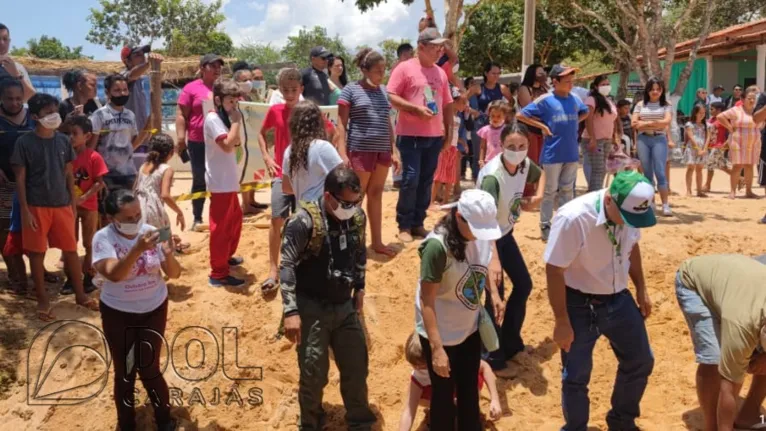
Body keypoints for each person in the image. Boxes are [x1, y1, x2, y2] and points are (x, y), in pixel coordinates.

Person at [544, 170, 656, 431]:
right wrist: (561, 320)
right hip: (578, 304)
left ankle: (621, 421)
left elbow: (632, 246)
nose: (629, 223)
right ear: (608, 200)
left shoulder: (631, 211)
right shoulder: (573, 218)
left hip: (619, 298)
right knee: (576, 376)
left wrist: (641, 288)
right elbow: (554, 269)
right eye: (625, 217)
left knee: (641, 360)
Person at [280, 166, 376, 431]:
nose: (352, 208)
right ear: (328, 196)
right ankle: (310, 423)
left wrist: (360, 288)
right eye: (346, 203)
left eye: (356, 202)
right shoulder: (303, 221)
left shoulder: (357, 217)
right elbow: (286, 264)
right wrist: (291, 311)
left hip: (345, 305)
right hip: (312, 307)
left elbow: (359, 253)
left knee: (357, 367)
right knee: (313, 373)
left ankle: (360, 422)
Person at [415, 188, 503, 430]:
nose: (479, 235)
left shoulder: (480, 235)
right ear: (458, 217)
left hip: (469, 328)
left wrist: (493, 294)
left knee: (469, 393)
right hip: (441, 333)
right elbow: (427, 302)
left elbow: (482, 265)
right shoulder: (436, 248)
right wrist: (437, 349)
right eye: (476, 228)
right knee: (442, 399)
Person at [93, 189, 181, 431]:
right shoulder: (103, 239)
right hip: (118, 311)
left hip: (153, 307)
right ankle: (126, 424)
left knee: (149, 366)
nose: (136, 221)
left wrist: (169, 256)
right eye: (129, 218)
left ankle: (164, 421)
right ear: (112, 219)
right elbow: (114, 274)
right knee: (125, 370)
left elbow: (173, 273)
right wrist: (136, 250)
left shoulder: (151, 233)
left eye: (138, 215)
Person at [11, 93, 99, 320]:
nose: (53, 117)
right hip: (36, 206)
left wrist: (72, 202)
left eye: (55, 112)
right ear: (34, 117)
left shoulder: (63, 141)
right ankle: (42, 298)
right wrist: (25, 210)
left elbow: (69, 173)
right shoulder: (24, 143)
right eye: (47, 113)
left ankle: (80, 295)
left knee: (71, 250)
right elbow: (20, 179)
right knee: (37, 254)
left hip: (62, 205)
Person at [258, 68, 334, 294]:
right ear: (280, 91)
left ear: (301, 89)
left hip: (306, 178)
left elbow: (332, 130)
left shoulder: (309, 111)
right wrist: (267, 157)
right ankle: (273, 268)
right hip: (282, 175)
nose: (290, 93)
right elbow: (261, 134)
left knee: (307, 220)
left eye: (294, 89)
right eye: (286, 90)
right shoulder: (275, 110)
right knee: (276, 219)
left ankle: (302, 264)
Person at [477, 123, 544, 373]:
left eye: (522, 146)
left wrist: (537, 196)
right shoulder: (493, 178)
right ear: (501, 146)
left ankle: (511, 343)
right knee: (495, 298)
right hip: (484, 239)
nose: (517, 151)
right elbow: (486, 223)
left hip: (505, 234)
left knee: (524, 284)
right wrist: (493, 261)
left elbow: (541, 173)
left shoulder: (525, 164)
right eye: (511, 147)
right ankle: (492, 358)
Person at [674, 254, 766, 431]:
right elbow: (728, 388)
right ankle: (713, 426)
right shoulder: (742, 325)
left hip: (742, 282)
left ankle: (749, 414)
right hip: (695, 281)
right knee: (714, 358)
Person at [387, 28, 454, 243]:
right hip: (410, 136)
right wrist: (415, 109)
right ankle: (404, 224)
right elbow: (391, 96)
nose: (439, 50)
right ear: (421, 47)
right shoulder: (404, 69)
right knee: (411, 179)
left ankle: (418, 222)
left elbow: (448, 104)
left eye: (441, 47)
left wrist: (448, 132)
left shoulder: (441, 73)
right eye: (435, 47)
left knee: (426, 180)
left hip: (434, 137)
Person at [337, 48, 400, 256]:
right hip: (360, 150)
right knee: (356, 197)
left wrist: (393, 150)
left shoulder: (383, 91)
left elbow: (387, 122)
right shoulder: (350, 90)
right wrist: (342, 152)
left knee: (376, 194)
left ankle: (377, 242)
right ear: (365, 70)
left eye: (384, 69)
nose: (382, 74)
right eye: (378, 70)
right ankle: (351, 242)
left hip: (382, 151)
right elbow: (341, 124)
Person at [517, 64, 589, 242]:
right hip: (552, 153)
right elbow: (521, 115)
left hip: (571, 152)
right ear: (555, 81)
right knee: (549, 191)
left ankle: (564, 224)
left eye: (572, 80)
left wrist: (573, 124)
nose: (570, 83)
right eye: (567, 80)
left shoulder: (574, 99)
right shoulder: (545, 100)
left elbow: (585, 112)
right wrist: (543, 126)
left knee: (567, 190)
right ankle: (545, 225)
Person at [398, 332, 502, 430]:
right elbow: (409, 410)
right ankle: (444, 410)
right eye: (413, 365)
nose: (417, 369)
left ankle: (464, 408)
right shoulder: (418, 376)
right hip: (441, 397)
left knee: (470, 377)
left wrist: (495, 399)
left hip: (460, 390)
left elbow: (484, 367)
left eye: (422, 366)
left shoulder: (450, 362)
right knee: (416, 393)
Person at [203, 80, 247, 287]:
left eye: (236, 102)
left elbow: (235, 142)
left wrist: (233, 124)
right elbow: (230, 145)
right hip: (220, 182)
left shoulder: (222, 118)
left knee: (234, 222)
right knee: (220, 228)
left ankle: (225, 258)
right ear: (219, 100)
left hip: (228, 181)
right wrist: (236, 121)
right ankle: (218, 273)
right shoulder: (213, 119)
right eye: (231, 101)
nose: (234, 107)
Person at [176, 54, 223, 231]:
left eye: (219, 66)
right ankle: (197, 217)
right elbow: (181, 114)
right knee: (199, 178)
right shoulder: (191, 88)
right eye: (213, 66)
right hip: (198, 142)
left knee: (218, 179)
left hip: (220, 141)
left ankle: (217, 217)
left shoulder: (224, 88)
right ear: (202, 68)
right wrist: (181, 138)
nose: (217, 69)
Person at [64, 114, 107, 293]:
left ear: (87, 136)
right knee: (69, 242)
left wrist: (84, 197)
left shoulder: (94, 157)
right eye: (68, 133)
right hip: (68, 207)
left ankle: (89, 275)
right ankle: (71, 278)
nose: (71, 137)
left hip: (89, 207)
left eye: (75, 133)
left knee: (90, 243)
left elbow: (99, 182)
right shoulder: (64, 156)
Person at [90, 74, 150, 199]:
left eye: (125, 90)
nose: (122, 93)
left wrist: (147, 128)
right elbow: (91, 147)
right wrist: (97, 176)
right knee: (107, 213)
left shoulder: (130, 115)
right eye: (117, 90)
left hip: (128, 173)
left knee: (128, 212)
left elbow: (132, 143)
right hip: (106, 174)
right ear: (108, 93)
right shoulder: (99, 115)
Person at [0, 78, 32, 292]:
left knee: (32, 228)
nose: (14, 103)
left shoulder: (33, 117)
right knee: (5, 229)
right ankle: (15, 275)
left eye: (18, 99)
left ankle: (36, 270)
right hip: (4, 184)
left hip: (31, 184)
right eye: (9, 99)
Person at [282, 101, 343, 202]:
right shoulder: (323, 147)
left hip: (302, 211)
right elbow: (343, 180)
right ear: (318, 122)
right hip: (322, 211)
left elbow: (286, 187)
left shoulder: (289, 150)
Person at [135, 133, 186, 251]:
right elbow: (165, 195)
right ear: (170, 153)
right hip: (154, 209)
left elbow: (136, 186)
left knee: (144, 241)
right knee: (163, 242)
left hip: (138, 207)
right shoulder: (166, 169)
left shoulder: (143, 166)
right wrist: (179, 212)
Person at [631, 77, 673, 216]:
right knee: (647, 173)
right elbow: (634, 123)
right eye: (652, 89)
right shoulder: (640, 104)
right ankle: (651, 203)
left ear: (662, 91)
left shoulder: (666, 104)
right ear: (648, 90)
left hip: (659, 139)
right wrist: (655, 123)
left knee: (660, 171)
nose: (655, 92)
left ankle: (665, 204)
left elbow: (666, 122)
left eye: (658, 89)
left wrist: (645, 123)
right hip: (643, 139)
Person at [716, 87, 766, 199]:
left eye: (754, 99)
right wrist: (729, 127)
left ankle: (748, 191)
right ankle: (732, 191)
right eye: (749, 98)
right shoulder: (736, 110)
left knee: (750, 165)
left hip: (754, 140)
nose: (752, 101)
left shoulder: (756, 110)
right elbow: (720, 117)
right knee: (737, 165)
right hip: (738, 140)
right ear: (742, 99)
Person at [231, 65, 268, 214]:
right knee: (244, 171)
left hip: (252, 137)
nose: (249, 82)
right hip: (241, 139)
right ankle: (245, 204)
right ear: (237, 81)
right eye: (245, 80)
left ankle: (251, 200)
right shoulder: (235, 97)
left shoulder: (250, 96)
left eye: (250, 79)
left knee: (253, 170)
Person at [581, 75, 621, 192]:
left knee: (602, 169)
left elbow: (612, 120)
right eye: (603, 84)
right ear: (595, 86)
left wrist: (615, 137)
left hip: (607, 140)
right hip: (594, 140)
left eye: (607, 84)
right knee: (597, 169)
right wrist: (592, 138)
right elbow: (588, 119)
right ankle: (595, 194)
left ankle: (595, 192)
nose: (606, 87)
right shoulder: (591, 99)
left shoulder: (609, 101)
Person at [431, 91, 467, 207]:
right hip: (444, 148)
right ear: (455, 102)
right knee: (438, 176)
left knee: (450, 176)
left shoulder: (458, 118)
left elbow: (455, 134)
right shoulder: (446, 116)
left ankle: (446, 201)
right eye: (463, 102)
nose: (465, 105)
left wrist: (462, 144)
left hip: (453, 148)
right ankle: (431, 202)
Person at [120, 44, 164, 136]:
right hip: (129, 135)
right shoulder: (121, 78)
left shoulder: (141, 80)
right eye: (137, 55)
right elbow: (132, 75)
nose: (143, 57)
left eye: (143, 54)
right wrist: (148, 63)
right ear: (127, 61)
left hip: (142, 134)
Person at [517, 64, 549, 178]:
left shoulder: (544, 89)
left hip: (543, 129)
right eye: (540, 73)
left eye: (543, 73)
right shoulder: (524, 88)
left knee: (541, 162)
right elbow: (528, 111)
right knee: (531, 160)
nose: (543, 75)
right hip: (529, 129)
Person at [0, 23, 35, 102]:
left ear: (9, 41)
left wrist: (16, 75)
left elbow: (30, 97)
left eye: (5, 39)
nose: (2, 43)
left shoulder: (17, 67)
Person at [704, 101, 732, 193]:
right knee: (722, 166)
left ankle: (707, 185)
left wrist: (727, 143)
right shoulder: (711, 119)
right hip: (711, 145)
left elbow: (732, 131)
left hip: (719, 145)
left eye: (712, 109)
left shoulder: (724, 119)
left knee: (710, 164)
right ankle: (740, 178)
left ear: (719, 110)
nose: (710, 111)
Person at [683, 104, 709, 197]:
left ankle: (699, 190)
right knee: (690, 168)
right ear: (695, 113)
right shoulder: (689, 124)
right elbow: (691, 137)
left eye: (704, 113)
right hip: (692, 148)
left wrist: (705, 149)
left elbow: (707, 138)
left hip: (702, 148)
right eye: (700, 113)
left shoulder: (706, 125)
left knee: (699, 169)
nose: (702, 115)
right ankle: (688, 190)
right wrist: (698, 149)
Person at [477, 100, 511, 169]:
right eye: (493, 116)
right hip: (488, 162)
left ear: (504, 116)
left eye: (498, 116)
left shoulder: (507, 130)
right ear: (489, 114)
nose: (495, 118)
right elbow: (482, 147)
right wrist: (481, 161)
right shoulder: (485, 130)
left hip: (503, 163)